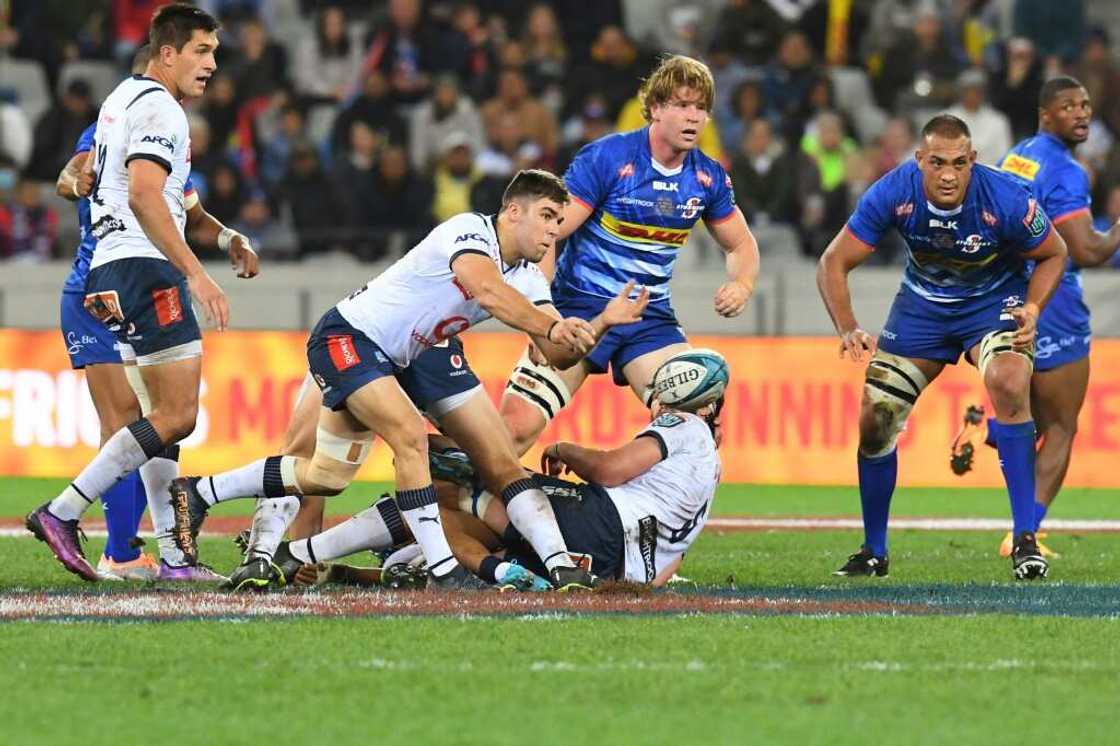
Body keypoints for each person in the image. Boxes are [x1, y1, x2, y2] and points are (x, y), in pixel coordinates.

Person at [169, 170, 648, 591]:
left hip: (401, 357)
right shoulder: (470, 231)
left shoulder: (526, 279)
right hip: (350, 337)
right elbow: (484, 289)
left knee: (329, 476)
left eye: (558, 220)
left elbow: (553, 353)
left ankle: (200, 491)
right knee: (407, 436)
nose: (553, 229)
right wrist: (547, 325)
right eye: (546, 215)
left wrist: (601, 323)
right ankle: (442, 567)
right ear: (512, 210)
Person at [25, 4, 257, 582]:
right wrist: (196, 274)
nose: (212, 65)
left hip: (110, 270)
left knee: (159, 415)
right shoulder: (160, 108)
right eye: (202, 52)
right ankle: (64, 511)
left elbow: (163, 195)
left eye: (215, 54)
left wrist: (223, 236)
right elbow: (147, 197)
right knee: (176, 415)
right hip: (142, 268)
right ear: (167, 53)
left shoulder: (120, 103)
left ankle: (175, 559)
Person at [817, 114, 1067, 581]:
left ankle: (1025, 539)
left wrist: (1033, 307)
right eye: (937, 163)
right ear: (919, 161)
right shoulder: (894, 191)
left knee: (1011, 381)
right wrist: (848, 326)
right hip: (922, 309)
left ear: (973, 160)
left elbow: (1055, 252)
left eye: (958, 163)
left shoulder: (1007, 198)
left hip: (993, 302)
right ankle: (874, 550)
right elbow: (833, 262)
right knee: (876, 418)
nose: (948, 174)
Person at [268, 348, 728, 591]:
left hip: (603, 524)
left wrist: (566, 448)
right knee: (440, 517)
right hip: (617, 565)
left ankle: (301, 554)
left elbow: (611, 470)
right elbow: (676, 555)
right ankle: (488, 572)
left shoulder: (685, 424)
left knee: (451, 476)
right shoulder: (710, 465)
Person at [498, 54, 759, 456]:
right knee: (513, 431)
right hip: (578, 307)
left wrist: (742, 283)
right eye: (682, 105)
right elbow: (547, 234)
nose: (694, 117)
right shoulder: (608, 158)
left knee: (696, 426)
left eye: (701, 108)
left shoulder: (708, 177)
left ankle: (651, 515)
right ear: (655, 108)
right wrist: (543, 317)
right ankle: (462, 506)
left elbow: (740, 244)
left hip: (648, 317)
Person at [951, 77, 1120, 558]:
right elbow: (1085, 250)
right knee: (1062, 427)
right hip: (1055, 300)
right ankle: (1026, 533)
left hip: (1007, 293)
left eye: (1086, 105)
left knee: (1032, 417)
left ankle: (987, 429)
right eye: (1069, 106)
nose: (1082, 113)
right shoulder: (1066, 170)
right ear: (1046, 114)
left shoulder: (1020, 154)